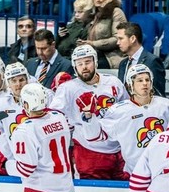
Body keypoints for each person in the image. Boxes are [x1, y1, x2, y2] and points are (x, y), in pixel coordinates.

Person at [81, 64, 169, 177]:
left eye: (147, 80)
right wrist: (89, 116)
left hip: (164, 170)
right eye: (140, 80)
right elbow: (94, 136)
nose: (145, 83)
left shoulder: (167, 106)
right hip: (134, 172)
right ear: (131, 85)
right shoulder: (118, 111)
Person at [49, 44, 129, 179]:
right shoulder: (68, 89)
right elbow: (54, 116)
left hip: (118, 150)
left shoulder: (113, 83)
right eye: (79, 64)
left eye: (87, 62)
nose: (84, 67)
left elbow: (127, 110)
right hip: (88, 152)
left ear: (95, 62)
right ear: (74, 67)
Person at [83, 0, 127, 69]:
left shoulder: (116, 12)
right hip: (93, 53)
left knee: (88, 67)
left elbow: (117, 39)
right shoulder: (92, 14)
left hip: (111, 56)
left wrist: (93, 43)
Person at [115, 22, 166, 96]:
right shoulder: (123, 64)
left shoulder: (152, 61)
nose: (117, 43)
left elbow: (159, 94)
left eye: (121, 39)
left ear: (132, 39)